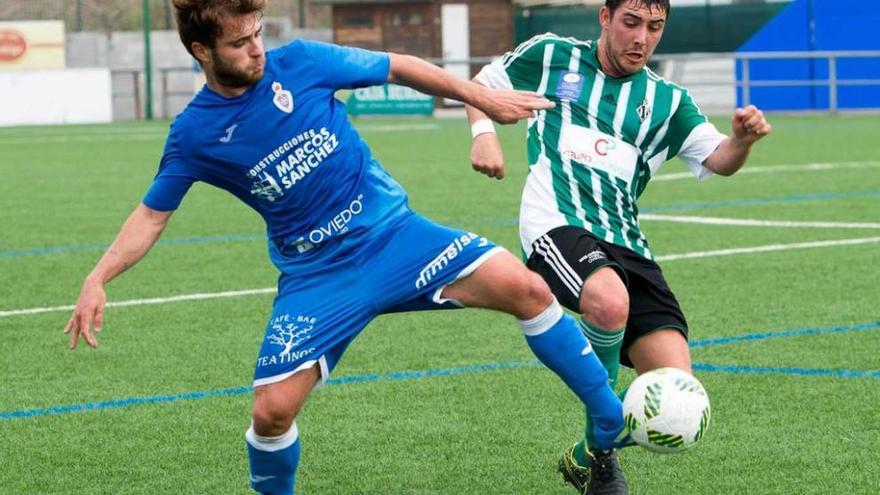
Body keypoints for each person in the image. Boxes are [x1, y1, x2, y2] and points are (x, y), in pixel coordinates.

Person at [63, 1, 630, 493]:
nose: (257, 50)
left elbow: (400, 67)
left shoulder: (303, 63)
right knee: (270, 412)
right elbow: (152, 216)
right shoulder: (194, 134)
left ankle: (607, 420)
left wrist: (481, 101)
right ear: (201, 51)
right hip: (318, 276)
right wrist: (98, 277)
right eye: (240, 43)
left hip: (396, 236)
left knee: (528, 288)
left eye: (258, 34)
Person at [465, 0, 772, 493]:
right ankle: (604, 452)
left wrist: (741, 140)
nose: (641, 39)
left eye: (655, 27)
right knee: (608, 302)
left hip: (627, 241)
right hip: (556, 223)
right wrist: (484, 135)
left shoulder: (668, 100)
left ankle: (586, 455)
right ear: (605, 18)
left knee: (678, 392)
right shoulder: (552, 55)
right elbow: (478, 86)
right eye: (631, 23)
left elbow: (718, 159)